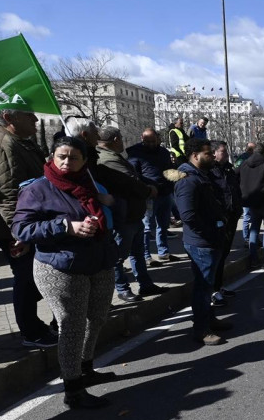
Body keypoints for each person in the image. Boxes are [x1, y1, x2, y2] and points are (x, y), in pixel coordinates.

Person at [13, 137, 118, 409]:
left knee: (97, 317)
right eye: (61, 156)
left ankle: (86, 368)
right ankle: (73, 390)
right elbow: (22, 229)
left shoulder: (88, 183)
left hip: (99, 261)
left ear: (84, 161)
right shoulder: (38, 189)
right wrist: (66, 227)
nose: (66, 162)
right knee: (71, 325)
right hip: (60, 266)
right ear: (51, 157)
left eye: (73, 158)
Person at [0, 108, 58, 348]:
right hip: (20, 229)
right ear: (9, 118)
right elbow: (8, 194)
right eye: (28, 115)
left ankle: (39, 326)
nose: (35, 119)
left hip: (33, 224)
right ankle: (31, 332)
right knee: (26, 279)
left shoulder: (20, 143)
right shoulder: (3, 146)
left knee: (37, 277)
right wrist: (20, 232)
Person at [95, 126, 165, 303]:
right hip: (123, 216)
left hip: (133, 214)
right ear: (116, 140)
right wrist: (149, 190)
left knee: (137, 252)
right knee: (118, 256)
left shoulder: (114, 156)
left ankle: (145, 284)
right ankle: (122, 288)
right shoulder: (108, 159)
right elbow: (131, 182)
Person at [174, 138, 231, 346]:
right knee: (203, 287)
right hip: (201, 242)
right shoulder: (188, 179)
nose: (213, 156)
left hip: (210, 240)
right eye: (208, 153)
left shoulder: (201, 175)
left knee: (208, 285)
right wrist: (211, 231)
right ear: (195, 156)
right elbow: (188, 215)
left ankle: (210, 319)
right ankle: (201, 329)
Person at [127, 128, 177, 265]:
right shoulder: (135, 153)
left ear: (158, 139)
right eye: (147, 141)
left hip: (165, 193)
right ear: (142, 139)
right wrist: (147, 188)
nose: (150, 144)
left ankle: (163, 252)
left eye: (153, 141)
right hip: (148, 195)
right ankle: (146, 255)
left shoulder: (164, 152)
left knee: (163, 225)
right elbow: (134, 174)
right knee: (147, 227)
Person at [234, 142, 264, 268]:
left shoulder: (245, 163)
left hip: (250, 200)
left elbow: (235, 174)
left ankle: (253, 259)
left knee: (254, 229)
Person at [209, 141, 239, 307]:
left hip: (232, 216)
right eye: (223, 151)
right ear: (214, 153)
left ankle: (219, 286)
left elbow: (234, 189)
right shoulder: (210, 171)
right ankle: (213, 291)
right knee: (216, 256)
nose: (226, 154)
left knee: (224, 254)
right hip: (219, 219)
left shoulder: (228, 168)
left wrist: (238, 208)